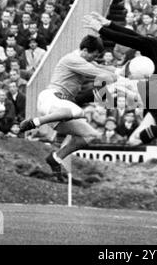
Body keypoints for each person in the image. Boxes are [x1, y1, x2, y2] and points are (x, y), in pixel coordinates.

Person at [18, 35, 118, 180]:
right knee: (77, 111)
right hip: (51, 98)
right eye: (93, 55)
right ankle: (35, 122)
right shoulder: (73, 59)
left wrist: (123, 71)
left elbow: (100, 67)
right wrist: (120, 77)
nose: (93, 59)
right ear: (84, 50)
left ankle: (56, 157)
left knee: (91, 136)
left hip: (60, 108)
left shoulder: (83, 60)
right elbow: (100, 73)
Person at [84, 12, 157, 146]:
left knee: (116, 84)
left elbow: (129, 40)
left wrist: (101, 29)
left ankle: (76, 100)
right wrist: (109, 24)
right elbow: (135, 36)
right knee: (135, 139)